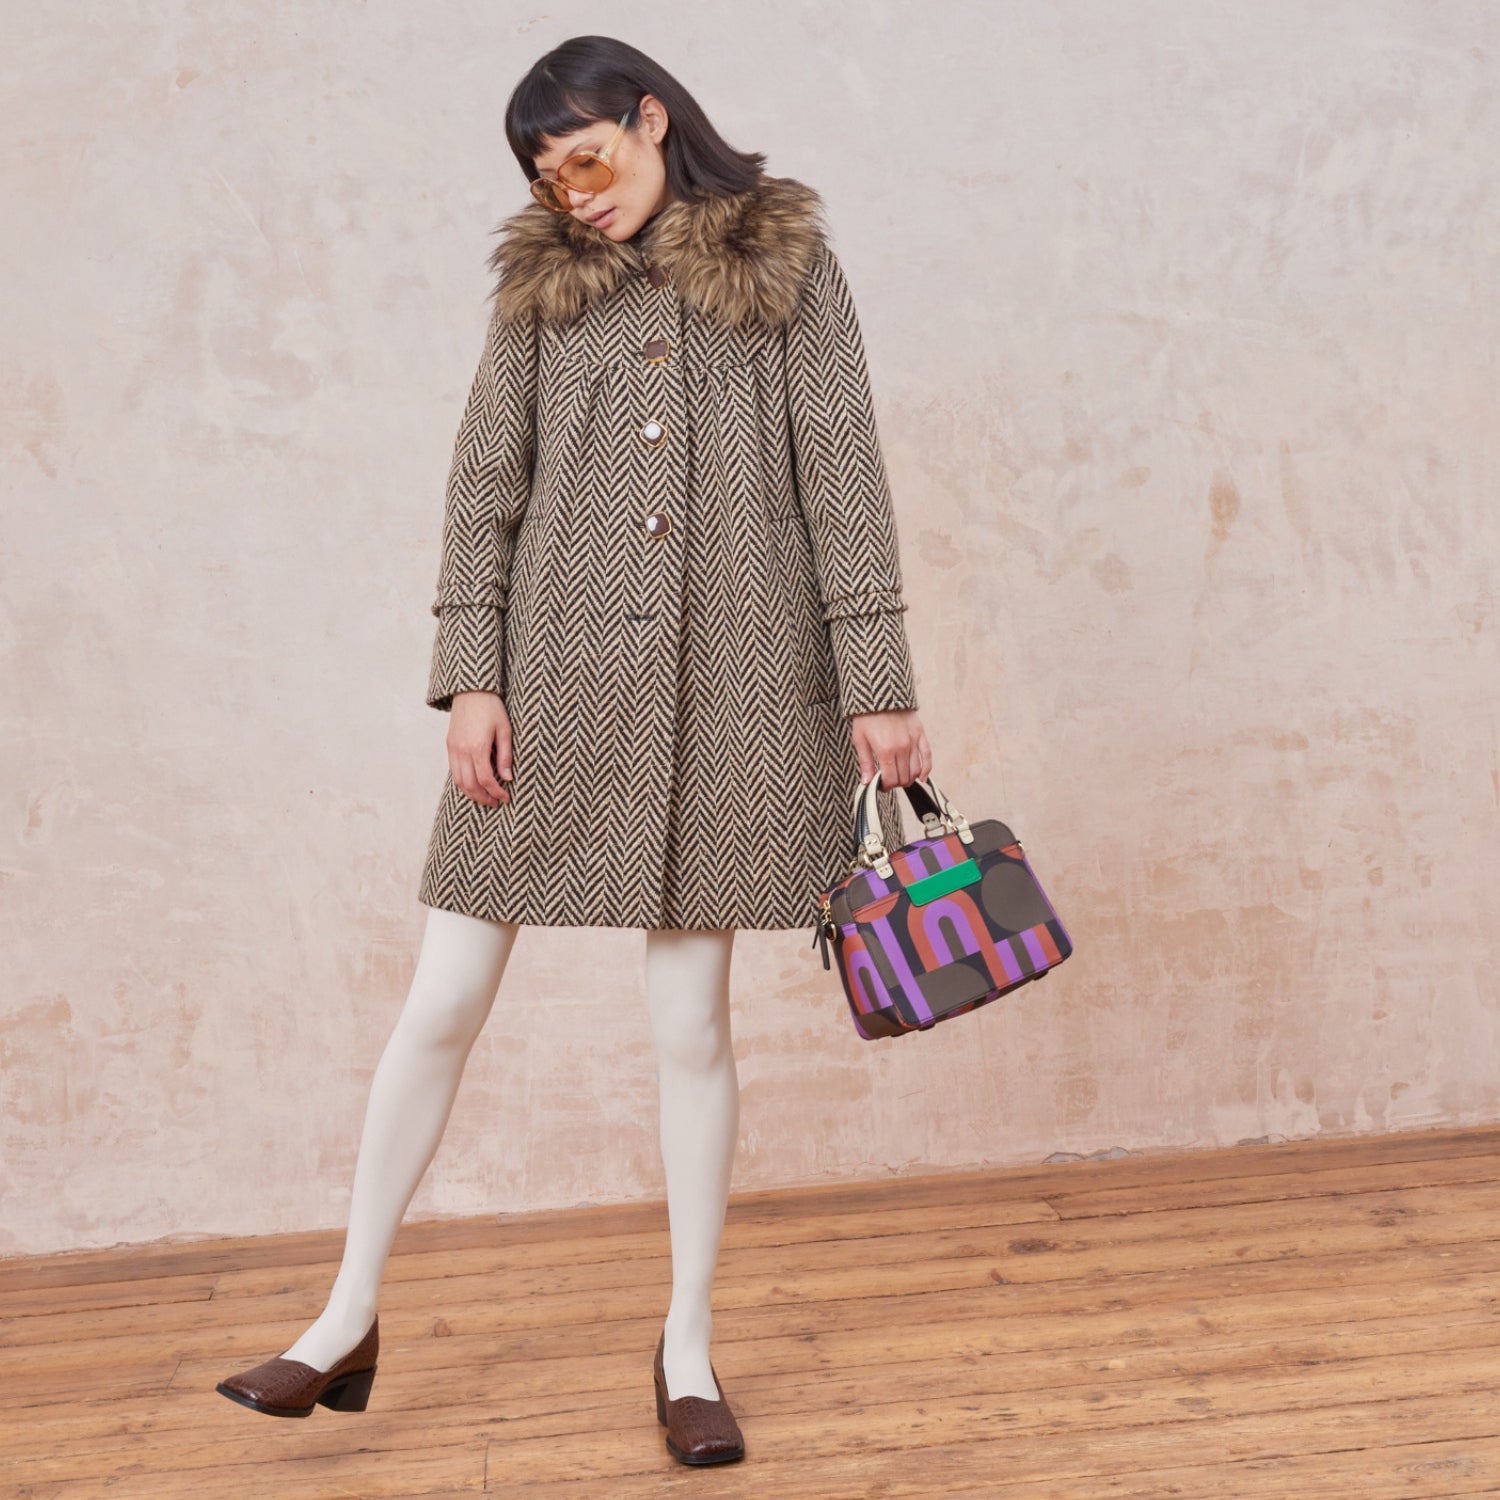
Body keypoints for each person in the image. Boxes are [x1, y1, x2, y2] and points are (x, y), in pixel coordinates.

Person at [216, 34, 931, 1468]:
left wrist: (880, 681)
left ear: (654, 119)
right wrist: (468, 679)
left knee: (689, 1027)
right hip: (550, 685)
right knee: (441, 1001)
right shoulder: (544, 293)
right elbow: (482, 486)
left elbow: (843, 477)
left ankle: (685, 1344)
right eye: (549, 178)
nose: (575, 194)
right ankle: (344, 1314)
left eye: (589, 158)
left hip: (741, 687)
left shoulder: (789, 271)